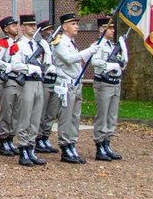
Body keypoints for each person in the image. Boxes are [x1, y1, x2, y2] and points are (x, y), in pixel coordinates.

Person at [49, 12, 93, 164]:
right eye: (73, 24)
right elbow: (68, 59)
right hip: (66, 83)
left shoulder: (72, 43)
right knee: (66, 117)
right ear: (64, 26)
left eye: (76, 24)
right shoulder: (60, 42)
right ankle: (65, 146)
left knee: (75, 117)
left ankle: (72, 143)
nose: (77, 27)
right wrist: (89, 51)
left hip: (76, 83)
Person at [10, 14, 47, 167]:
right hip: (26, 83)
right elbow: (14, 65)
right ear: (23, 27)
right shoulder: (18, 45)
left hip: (38, 83)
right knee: (25, 117)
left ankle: (31, 148)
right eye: (30, 25)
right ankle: (23, 148)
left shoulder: (38, 46)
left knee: (36, 118)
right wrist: (30, 68)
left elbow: (45, 62)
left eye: (34, 25)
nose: (33, 28)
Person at [91, 16, 128, 161]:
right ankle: (100, 145)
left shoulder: (114, 46)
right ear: (101, 29)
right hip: (104, 83)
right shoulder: (98, 45)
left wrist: (123, 53)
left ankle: (107, 143)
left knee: (112, 116)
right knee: (103, 114)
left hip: (115, 82)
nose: (113, 30)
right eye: (109, 28)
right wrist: (108, 66)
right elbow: (94, 61)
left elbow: (122, 64)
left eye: (113, 28)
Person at [0, 16, 21, 156]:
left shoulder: (18, 43)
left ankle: (11, 138)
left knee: (16, 112)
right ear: (6, 29)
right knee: (7, 111)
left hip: (18, 80)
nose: (16, 27)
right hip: (7, 79)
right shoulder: (3, 43)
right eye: (13, 25)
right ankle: (4, 140)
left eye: (16, 25)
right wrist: (10, 66)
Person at [34, 19, 62, 155]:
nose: (50, 32)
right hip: (44, 81)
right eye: (47, 29)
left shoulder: (54, 45)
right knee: (42, 112)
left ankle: (45, 136)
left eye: (51, 29)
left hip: (55, 81)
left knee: (51, 113)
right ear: (41, 31)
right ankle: (38, 138)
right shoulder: (39, 45)